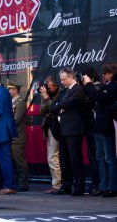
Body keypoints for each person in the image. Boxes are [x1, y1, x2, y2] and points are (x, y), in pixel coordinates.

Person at [51, 67, 86, 196]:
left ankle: (79, 186)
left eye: (63, 79)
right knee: (63, 159)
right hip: (64, 129)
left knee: (75, 158)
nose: (62, 82)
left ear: (71, 77)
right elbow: (55, 106)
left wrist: (60, 106)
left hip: (73, 129)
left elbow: (69, 103)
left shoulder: (78, 90)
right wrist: (60, 106)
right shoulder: (65, 91)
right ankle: (66, 185)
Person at [83, 63, 117, 197]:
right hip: (98, 125)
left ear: (111, 73)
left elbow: (99, 97)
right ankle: (103, 185)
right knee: (100, 157)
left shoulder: (114, 86)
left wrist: (88, 84)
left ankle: (112, 187)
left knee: (109, 157)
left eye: (106, 73)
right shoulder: (106, 86)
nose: (103, 75)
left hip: (107, 125)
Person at [39, 76, 63, 194]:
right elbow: (41, 111)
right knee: (52, 156)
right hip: (49, 127)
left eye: (49, 87)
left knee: (53, 157)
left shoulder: (60, 93)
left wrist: (47, 98)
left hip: (57, 128)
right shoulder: (47, 95)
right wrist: (45, 98)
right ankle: (57, 183)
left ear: (55, 85)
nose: (47, 90)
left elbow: (54, 108)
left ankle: (57, 184)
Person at [81, 68, 101, 195]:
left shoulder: (96, 88)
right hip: (89, 125)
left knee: (96, 156)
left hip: (94, 126)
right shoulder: (87, 88)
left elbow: (91, 99)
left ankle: (97, 183)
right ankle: (97, 182)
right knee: (93, 156)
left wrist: (87, 85)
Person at [7, 82, 29, 192]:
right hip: (11, 138)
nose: (8, 91)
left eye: (10, 89)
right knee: (13, 162)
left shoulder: (20, 103)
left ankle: (23, 183)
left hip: (18, 137)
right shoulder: (11, 102)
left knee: (20, 161)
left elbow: (16, 120)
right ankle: (16, 182)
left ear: (15, 90)